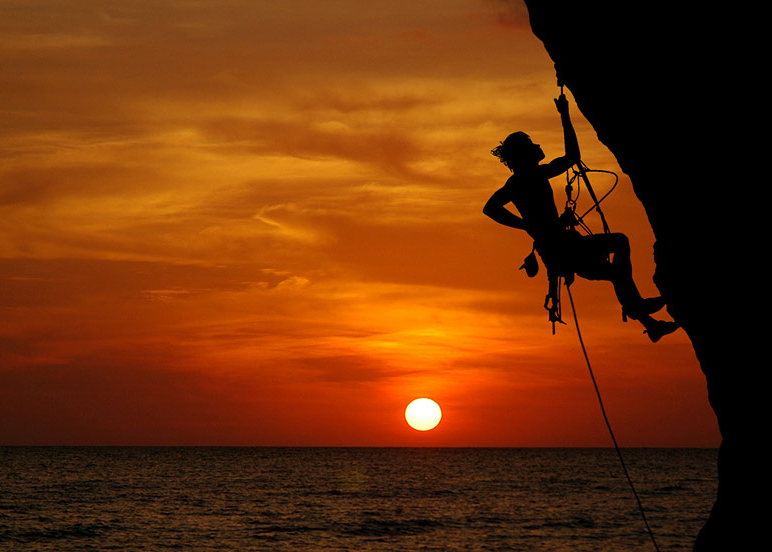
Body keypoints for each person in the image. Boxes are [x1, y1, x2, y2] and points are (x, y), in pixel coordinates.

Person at [483, 94, 678, 342]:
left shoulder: (532, 176)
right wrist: (525, 225)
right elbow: (490, 208)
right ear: (524, 154)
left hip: (560, 250)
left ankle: (650, 324)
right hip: (562, 250)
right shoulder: (524, 179)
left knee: (616, 270)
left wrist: (538, 225)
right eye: (532, 145)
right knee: (620, 242)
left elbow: (569, 160)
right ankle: (636, 306)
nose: (538, 147)